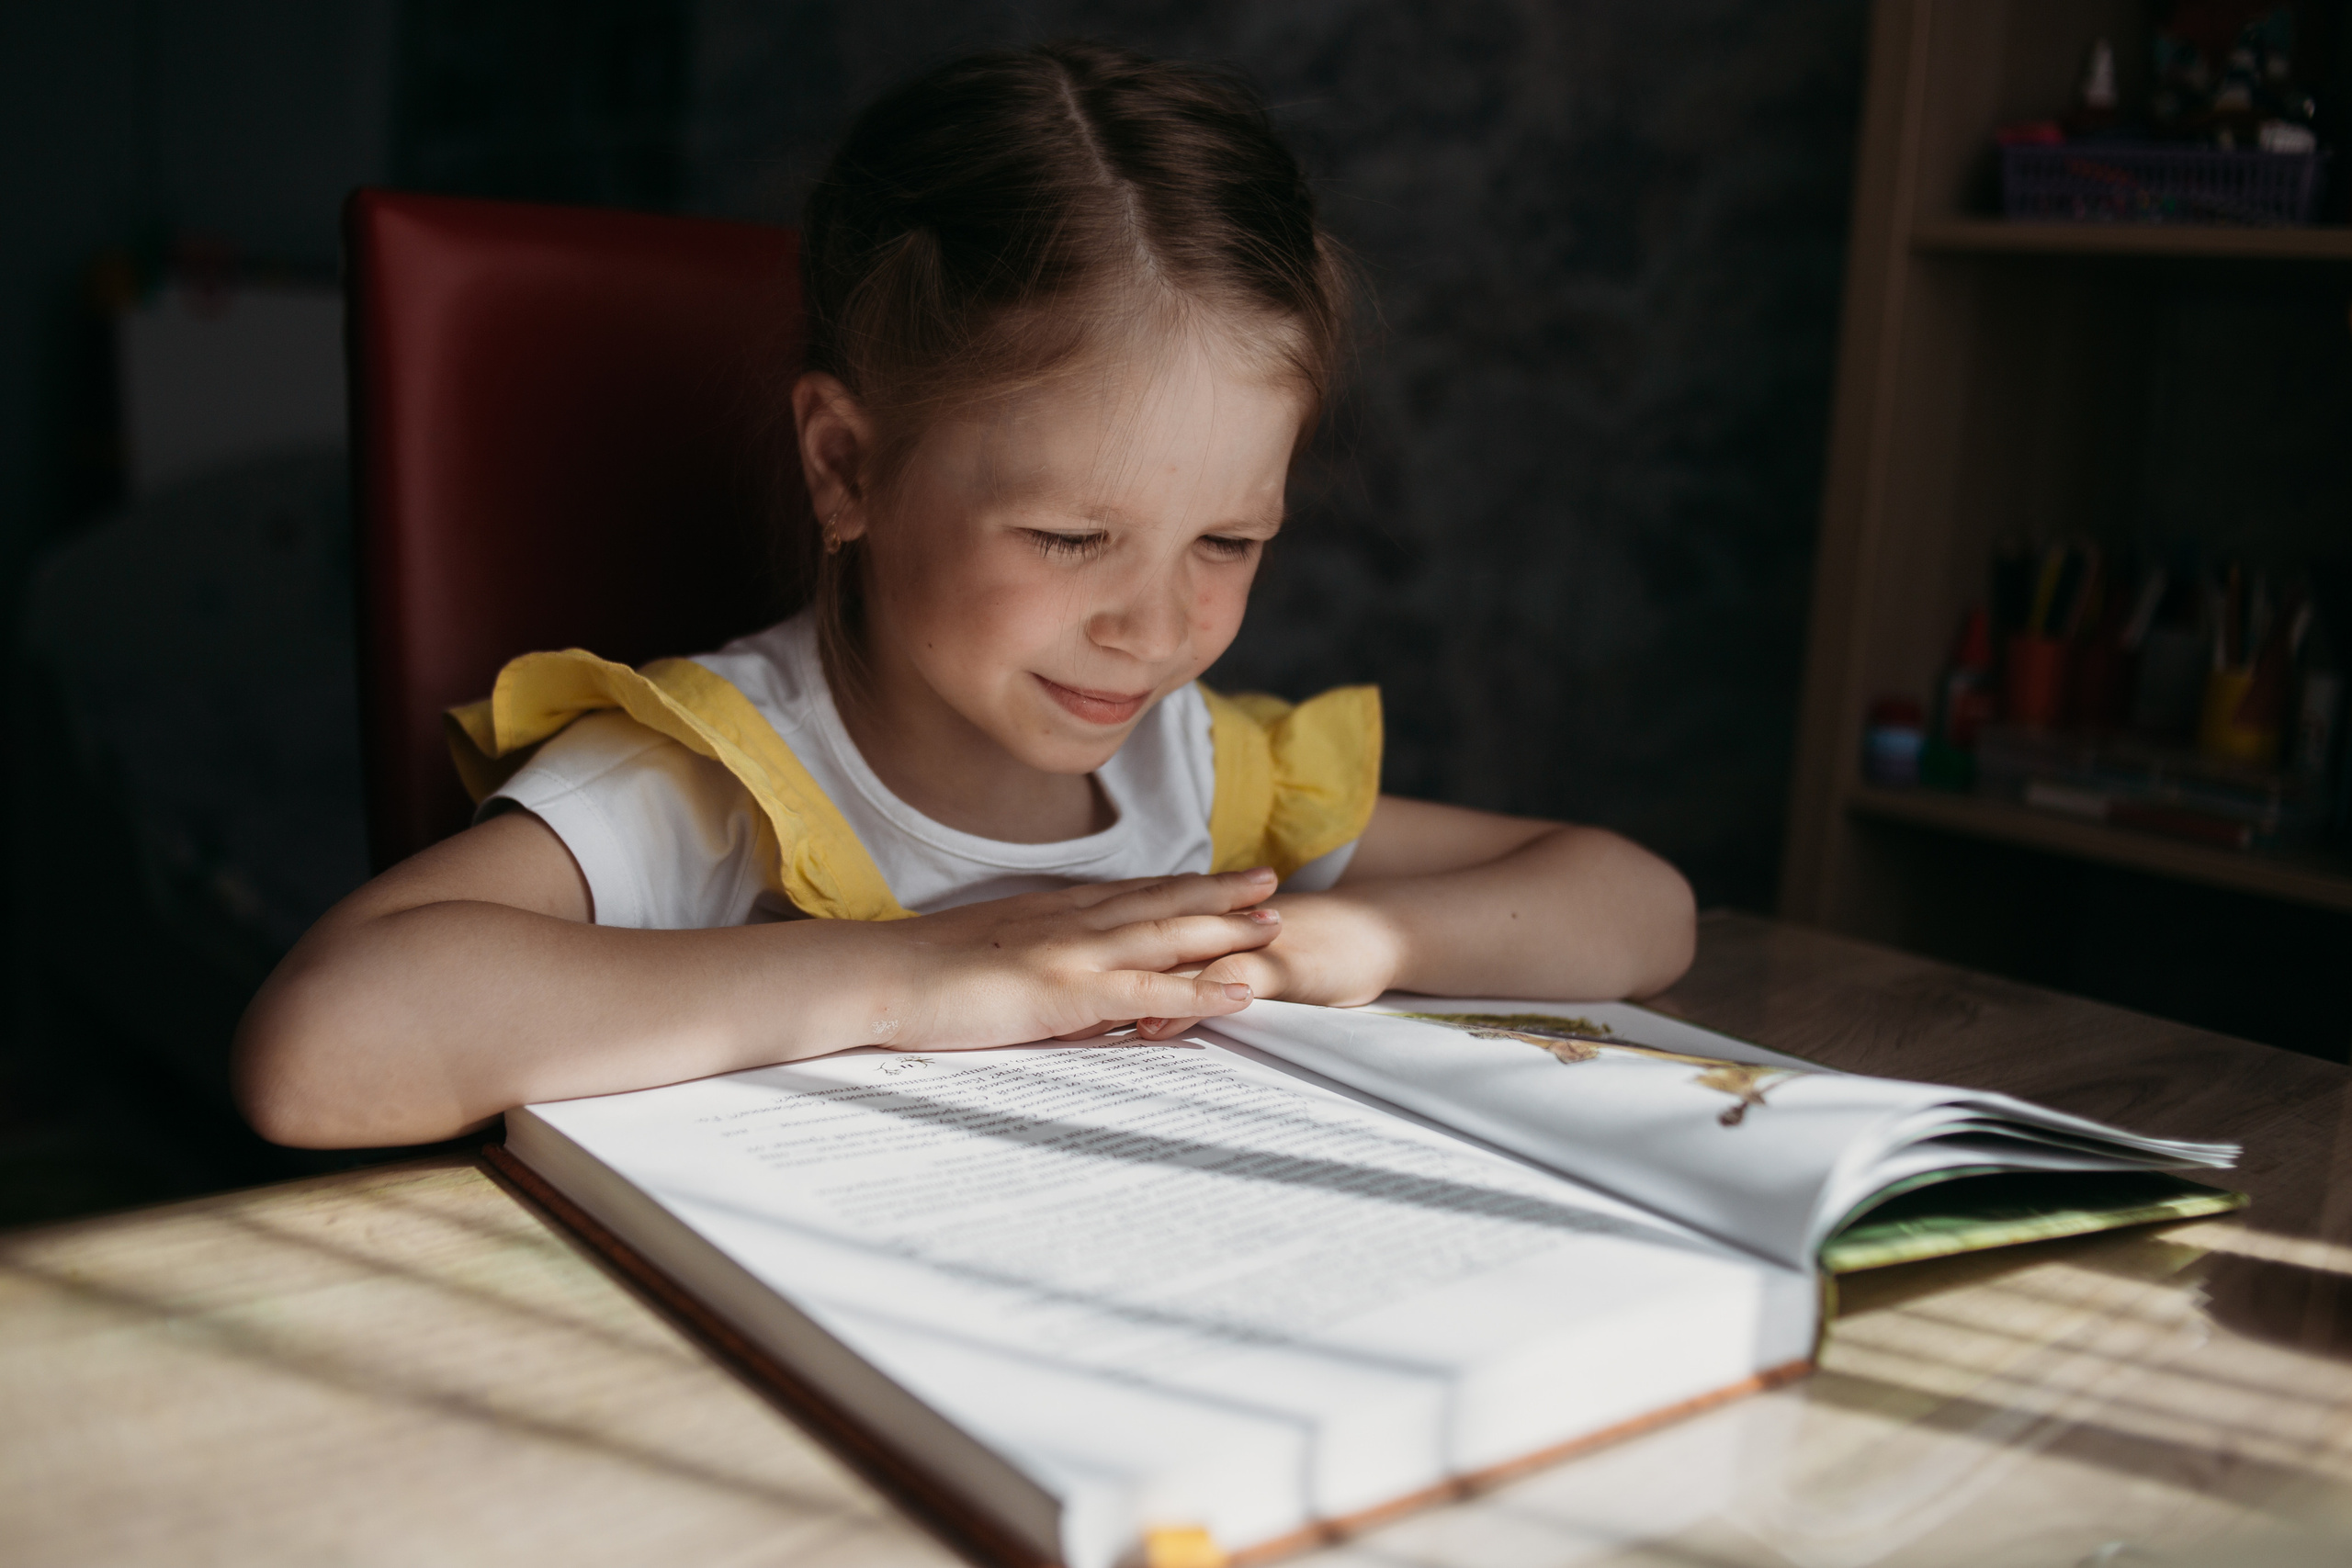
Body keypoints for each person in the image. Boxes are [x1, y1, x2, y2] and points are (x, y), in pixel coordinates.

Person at [233, 42, 1696, 1150]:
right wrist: (904, 979)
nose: (1155, 628)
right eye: (1069, 537)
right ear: (848, 465)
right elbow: (319, 1050)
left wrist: (1344, 942)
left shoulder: (1202, 769)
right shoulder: (721, 780)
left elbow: (1638, 905)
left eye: (1229, 543)